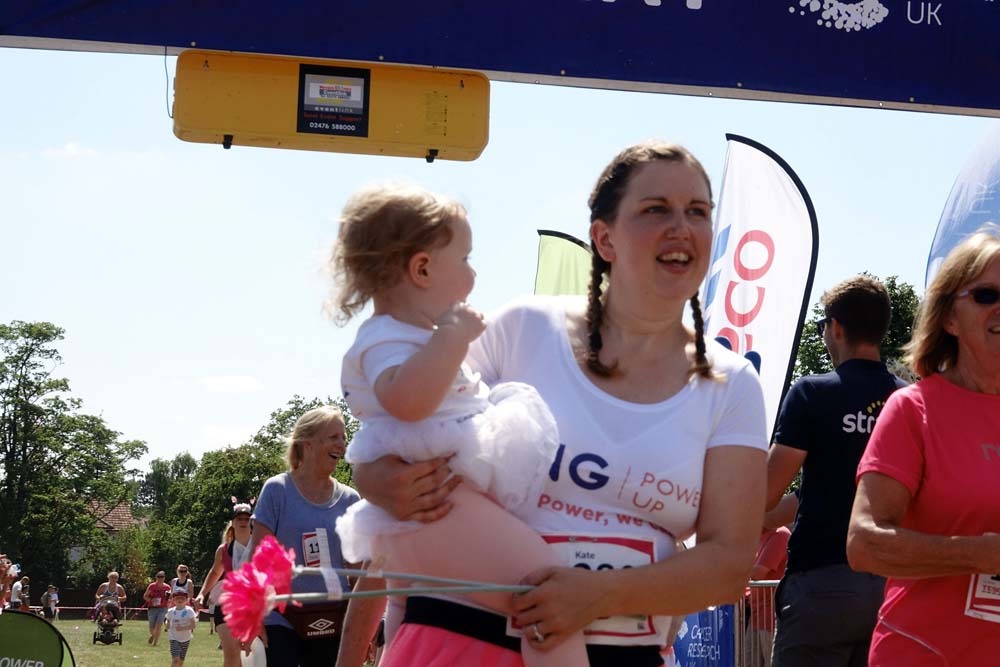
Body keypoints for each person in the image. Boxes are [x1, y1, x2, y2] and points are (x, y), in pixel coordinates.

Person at [339, 141, 769, 667]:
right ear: (603, 238)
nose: (681, 228)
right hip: (461, 642)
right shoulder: (520, 328)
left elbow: (727, 567)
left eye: (698, 212)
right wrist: (376, 479)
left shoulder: (733, 383)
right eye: (656, 209)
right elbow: (400, 420)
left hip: (623, 653)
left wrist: (601, 594)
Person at [329, 183, 586, 666]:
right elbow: (407, 401)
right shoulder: (387, 337)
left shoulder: (412, 337)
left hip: (440, 498)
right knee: (544, 584)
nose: (474, 273)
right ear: (422, 268)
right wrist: (452, 338)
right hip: (440, 497)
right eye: (465, 259)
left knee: (406, 607)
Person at [847, 229, 1000, 666]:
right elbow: (863, 543)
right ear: (950, 318)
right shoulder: (914, 409)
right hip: (924, 653)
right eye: (987, 294)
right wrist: (979, 554)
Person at [765, 275, 905, 667]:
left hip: (821, 579)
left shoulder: (813, 392)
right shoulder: (909, 400)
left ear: (837, 327)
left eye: (823, 326)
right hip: (892, 586)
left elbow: (766, 491)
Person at [244, 405, 361, 667]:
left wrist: (365, 626)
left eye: (343, 437)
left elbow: (358, 572)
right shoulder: (277, 490)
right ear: (308, 444)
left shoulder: (351, 499)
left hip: (336, 617)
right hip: (282, 617)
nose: (342, 445)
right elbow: (258, 560)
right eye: (333, 437)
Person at [195, 499, 254, 667]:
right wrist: (201, 594)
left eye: (246, 519)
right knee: (232, 652)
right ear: (233, 522)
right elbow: (215, 573)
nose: (243, 522)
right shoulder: (224, 550)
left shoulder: (259, 545)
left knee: (247, 656)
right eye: (239, 519)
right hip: (227, 605)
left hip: (251, 607)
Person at [166, 589, 198, 667]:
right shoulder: (170, 611)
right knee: (175, 659)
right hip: (173, 638)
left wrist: (183, 628)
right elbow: (167, 622)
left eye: (182, 598)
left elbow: (193, 625)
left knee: (181, 661)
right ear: (174, 600)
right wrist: (167, 625)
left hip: (185, 638)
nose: (179, 600)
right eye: (177, 598)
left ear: (186, 600)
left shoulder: (189, 610)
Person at [145, 570, 172, 645]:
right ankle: (153, 635)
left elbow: (170, 598)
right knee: (152, 626)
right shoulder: (152, 586)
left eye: (162, 577)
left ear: (164, 578)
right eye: (158, 576)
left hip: (163, 608)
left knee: (159, 624)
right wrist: (151, 600)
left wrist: (169, 597)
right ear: (156, 577)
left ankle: (155, 642)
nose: (160, 578)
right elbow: (145, 596)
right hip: (152, 608)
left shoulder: (167, 587)